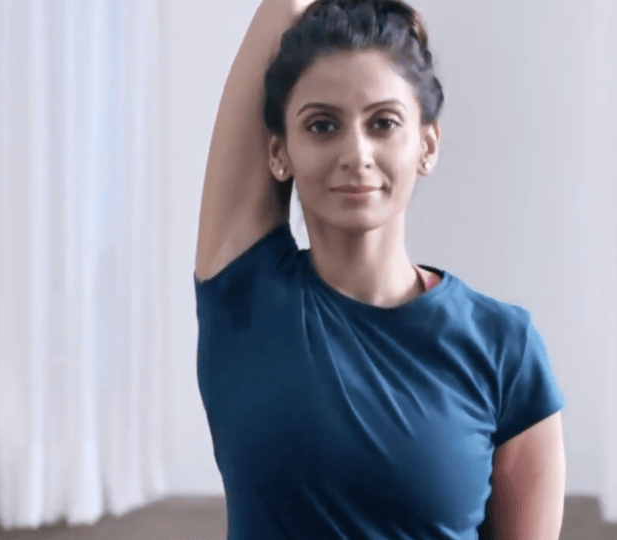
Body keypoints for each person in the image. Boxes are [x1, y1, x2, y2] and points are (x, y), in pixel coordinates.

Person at [194, 0, 567, 538]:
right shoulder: (243, 298)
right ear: (280, 152)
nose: (356, 152)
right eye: (323, 125)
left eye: (384, 122)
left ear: (426, 143)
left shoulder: (505, 346)